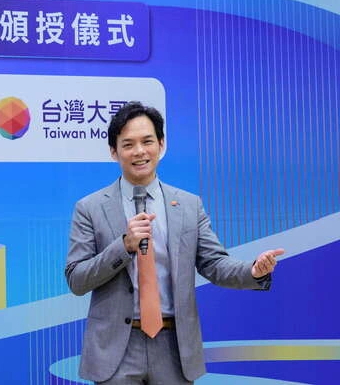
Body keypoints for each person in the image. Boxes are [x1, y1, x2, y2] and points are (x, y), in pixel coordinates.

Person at [65, 101, 284, 384]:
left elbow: (214, 263)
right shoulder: (90, 208)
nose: (139, 151)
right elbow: (77, 279)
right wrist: (124, 246)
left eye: (147, 141)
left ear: (161, 144)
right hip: (115, 349)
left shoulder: (189, 206)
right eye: (128, 144)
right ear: (114, 151)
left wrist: (252, 271)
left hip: (174, 347)